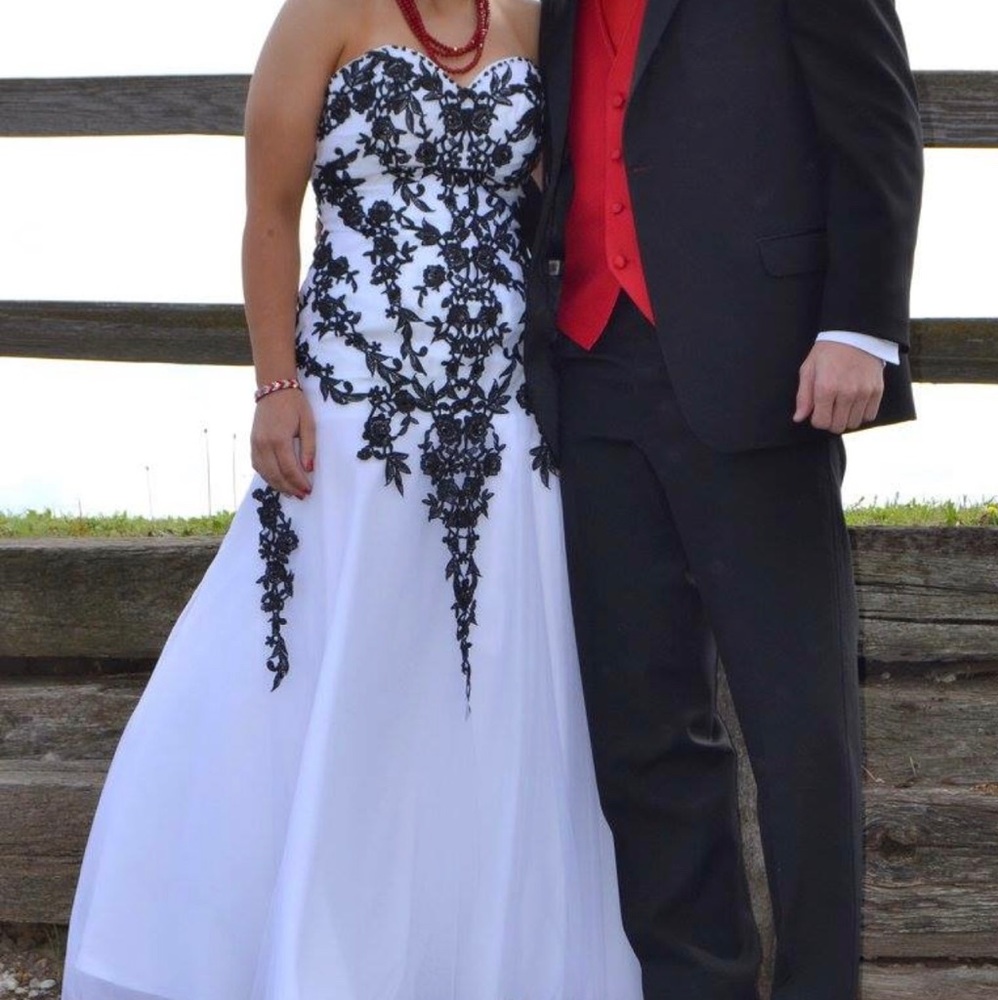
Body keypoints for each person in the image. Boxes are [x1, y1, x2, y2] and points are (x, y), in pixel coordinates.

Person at [62, 1, 642, 997]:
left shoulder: (529, 21)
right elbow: (270, 213)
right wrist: (276, 385)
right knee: (337, 667)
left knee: (490, 683)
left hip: (500, 421)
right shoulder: (324, 13)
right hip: (352, 412)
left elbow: (565, 197)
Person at [525, 0, 924, 998]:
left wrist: (860, 325)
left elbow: (877, 118)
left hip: (764, 362)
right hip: (589, 366)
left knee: (800, 731)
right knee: (645, 729)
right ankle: (695, 979)